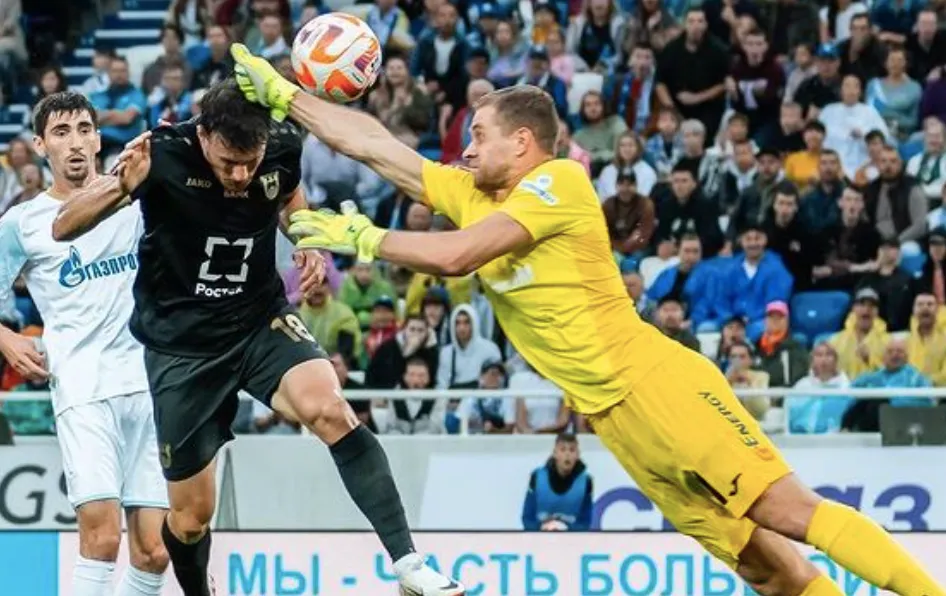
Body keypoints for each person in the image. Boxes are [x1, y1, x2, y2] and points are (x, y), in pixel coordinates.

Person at [230, 43, 946, 595]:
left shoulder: (560, 182)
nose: (465, 148)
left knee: (788, 513)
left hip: (656, 382)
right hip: (616, 420)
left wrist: (361, 238)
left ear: (523, 142)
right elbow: (377, 147)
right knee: (770, 572)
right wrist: (288, 96)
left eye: (478, 134)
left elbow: (462, 256)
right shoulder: (474, 189)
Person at [49, 80, 464, 596]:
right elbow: (63, 226)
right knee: (191, 518)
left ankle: (407, 564)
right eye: (228, 163)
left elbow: (288, 195)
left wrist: (305, 240)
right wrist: (119, 186)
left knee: (331, 410)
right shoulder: (159, 155)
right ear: (203, 136)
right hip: (182, 347)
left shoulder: (284, 143)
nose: (241, 175)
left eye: (250, 161)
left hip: (257, 320)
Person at [0, 92, 170, 595]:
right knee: (100, 539)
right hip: (82, 389)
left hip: (151, 384)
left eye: (82, 129)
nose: (74, 142)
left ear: (98, 138)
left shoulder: (134, 199)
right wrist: (6, 336)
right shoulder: (21, 224)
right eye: (60, 132)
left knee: (155, 552)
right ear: (39, 145)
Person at [521, 433, 593, 531]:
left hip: (572, 541)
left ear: (578, 454)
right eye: (563, 450)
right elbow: (527, 519)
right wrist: (542, 527)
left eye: (572, 450)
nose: (567, 454)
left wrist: (565, 528)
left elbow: (585, 523)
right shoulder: (537, 477)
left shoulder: (586, 482)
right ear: (555, 453)